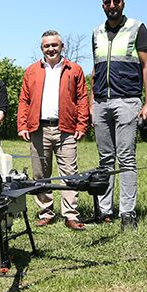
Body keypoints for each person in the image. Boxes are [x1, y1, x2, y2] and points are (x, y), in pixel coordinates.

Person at [91, 0, 147, 230]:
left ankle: (127, 213)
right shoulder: (96, 32)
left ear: (123, 3)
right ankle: (105, 211)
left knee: (126, 158)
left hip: (127, 101)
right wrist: (90, 102)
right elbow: (95, 69)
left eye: (116, 1)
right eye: (108, 2)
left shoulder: (137, 28)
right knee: (105, 159)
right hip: (101, 102)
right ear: (102, 5)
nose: (112, 5)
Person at [17, 30, 89, 231]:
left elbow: (82, 98)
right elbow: (24, 100)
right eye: (46, 46)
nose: (51, 49)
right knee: (41, 174)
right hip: (38, 128)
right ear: (42, 48)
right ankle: (46, 212)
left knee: (70, 173)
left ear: (61, 46)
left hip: (66, 128)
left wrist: (82, 124)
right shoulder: (31, 71)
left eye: (54, 45)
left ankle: (71, 215)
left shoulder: (73, 69)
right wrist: (22, 125)